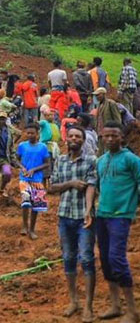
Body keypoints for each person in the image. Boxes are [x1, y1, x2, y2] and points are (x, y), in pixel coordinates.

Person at [48, 126, 97, 322]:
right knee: (68, 257)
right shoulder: (60, 160)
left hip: (83, 218)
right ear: (66, 139)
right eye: (71, 136)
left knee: (86, 258)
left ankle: (88, 306)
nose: (74, 139)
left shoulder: (91, 161)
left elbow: (91, 187)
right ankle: (73, 300)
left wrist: (88, 210)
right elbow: (52, 187)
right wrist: (71, 183)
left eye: (78, 136)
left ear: (83, 140)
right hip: (64, 215)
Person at [94, 121, 140, 322]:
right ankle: (115, 305)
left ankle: (132, 310)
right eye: (107, 136)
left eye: (115, 135)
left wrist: (134, 207)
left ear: (122, 137)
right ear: (102, 138)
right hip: (102, 214)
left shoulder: (131, 159)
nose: (111, 139)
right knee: (105, 259)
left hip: (121, 216)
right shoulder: (101, 161)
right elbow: (97, 186)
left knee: (117, 258)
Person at [17, 123, 50, 240]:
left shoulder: (43, 147)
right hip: (24, 178)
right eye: (28, 133)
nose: (30, 135)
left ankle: (32, 228)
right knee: (25, 202)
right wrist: (22, 168)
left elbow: (47, 163)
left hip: (37, 179)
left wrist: (34, 169)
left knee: (36, 206)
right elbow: (17, 160)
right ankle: (25, 225)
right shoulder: (22, 146)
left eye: (32, 133)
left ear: (38, 134)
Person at [93, 88, 121, 154]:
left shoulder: (111, 103)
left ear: (103, 94)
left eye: (98, 95)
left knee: (109, 150)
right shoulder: (99, 105)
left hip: (109, 132)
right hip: (100, 132)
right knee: (101, 151)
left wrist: (116, 130)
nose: (97, 97)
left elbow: (117, 118)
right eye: (96, 95)